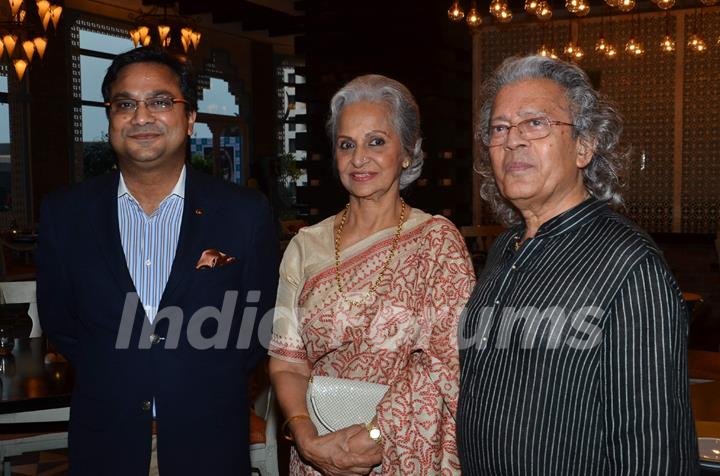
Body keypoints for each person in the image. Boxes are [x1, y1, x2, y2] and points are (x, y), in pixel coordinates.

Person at [36, 47, 278, 475]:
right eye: (125, 104)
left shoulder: (245, 213)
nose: (141, 116)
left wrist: (191, 372)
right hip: (106, 442)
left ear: (189, 119)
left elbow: (258, 329)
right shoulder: (65, 214)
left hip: (209, 441)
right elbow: (63, 325)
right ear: (110, 119)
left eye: (161, 101)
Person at [457, 55, 698, 474]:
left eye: (536, 123)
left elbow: (653, 448)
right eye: (499, 128)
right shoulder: (504, 250)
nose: (513, 140)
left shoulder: (627, 265)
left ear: (584, 146)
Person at [268, 74, 475, 475]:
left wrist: (376, 435)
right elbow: (287, 362)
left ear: (408, 153)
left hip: (406, 449)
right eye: (347, 144)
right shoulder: (306, 246)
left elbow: (447, 364)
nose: (359, 158)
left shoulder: (437, 242)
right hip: (321, 449)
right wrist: (306, 437)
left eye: (376, 141)